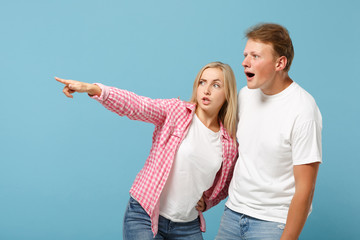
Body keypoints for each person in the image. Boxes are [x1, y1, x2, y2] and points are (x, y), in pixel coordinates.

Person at [55, 61, 238, 240]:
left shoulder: (229, 142)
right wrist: (94, 89)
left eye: (216, 85)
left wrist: (208, 201)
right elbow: (138, 105)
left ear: (227, 94)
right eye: (202, 82)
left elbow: (227, 182)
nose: (206, 90)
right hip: (145, 215)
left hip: (187, 225)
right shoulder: (177, 112)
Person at [215, 23, 322, 240]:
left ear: (279, 63)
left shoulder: (303, 109)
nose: (245, 62)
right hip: (233, 213)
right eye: (246, 55)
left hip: (272, 222)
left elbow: (305, 189)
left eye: (255, 56)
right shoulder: (245, 95)